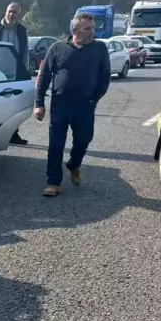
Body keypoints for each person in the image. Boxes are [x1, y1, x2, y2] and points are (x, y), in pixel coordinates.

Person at [34, 12, 111, 197]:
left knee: (83, 141)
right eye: (88, 29)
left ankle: (74, 164)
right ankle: (53, 182)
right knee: (55, 145)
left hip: (85, 105)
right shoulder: (57, 48)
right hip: (61, 104)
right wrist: (39, 103)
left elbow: (105, 76)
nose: (92, 32)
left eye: (93, 28)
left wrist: (95, 98)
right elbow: (43, 77)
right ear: (75, 30)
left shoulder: (99, 48)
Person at [0, 2, 30, 145]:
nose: (11, 14)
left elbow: (25, 51)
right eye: (9, 11)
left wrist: (24, 69)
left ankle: (13, 134)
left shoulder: (22, 31)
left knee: (14, 106)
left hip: (14, 75)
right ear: (5, 11)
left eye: (14, 12)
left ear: (18, 14)